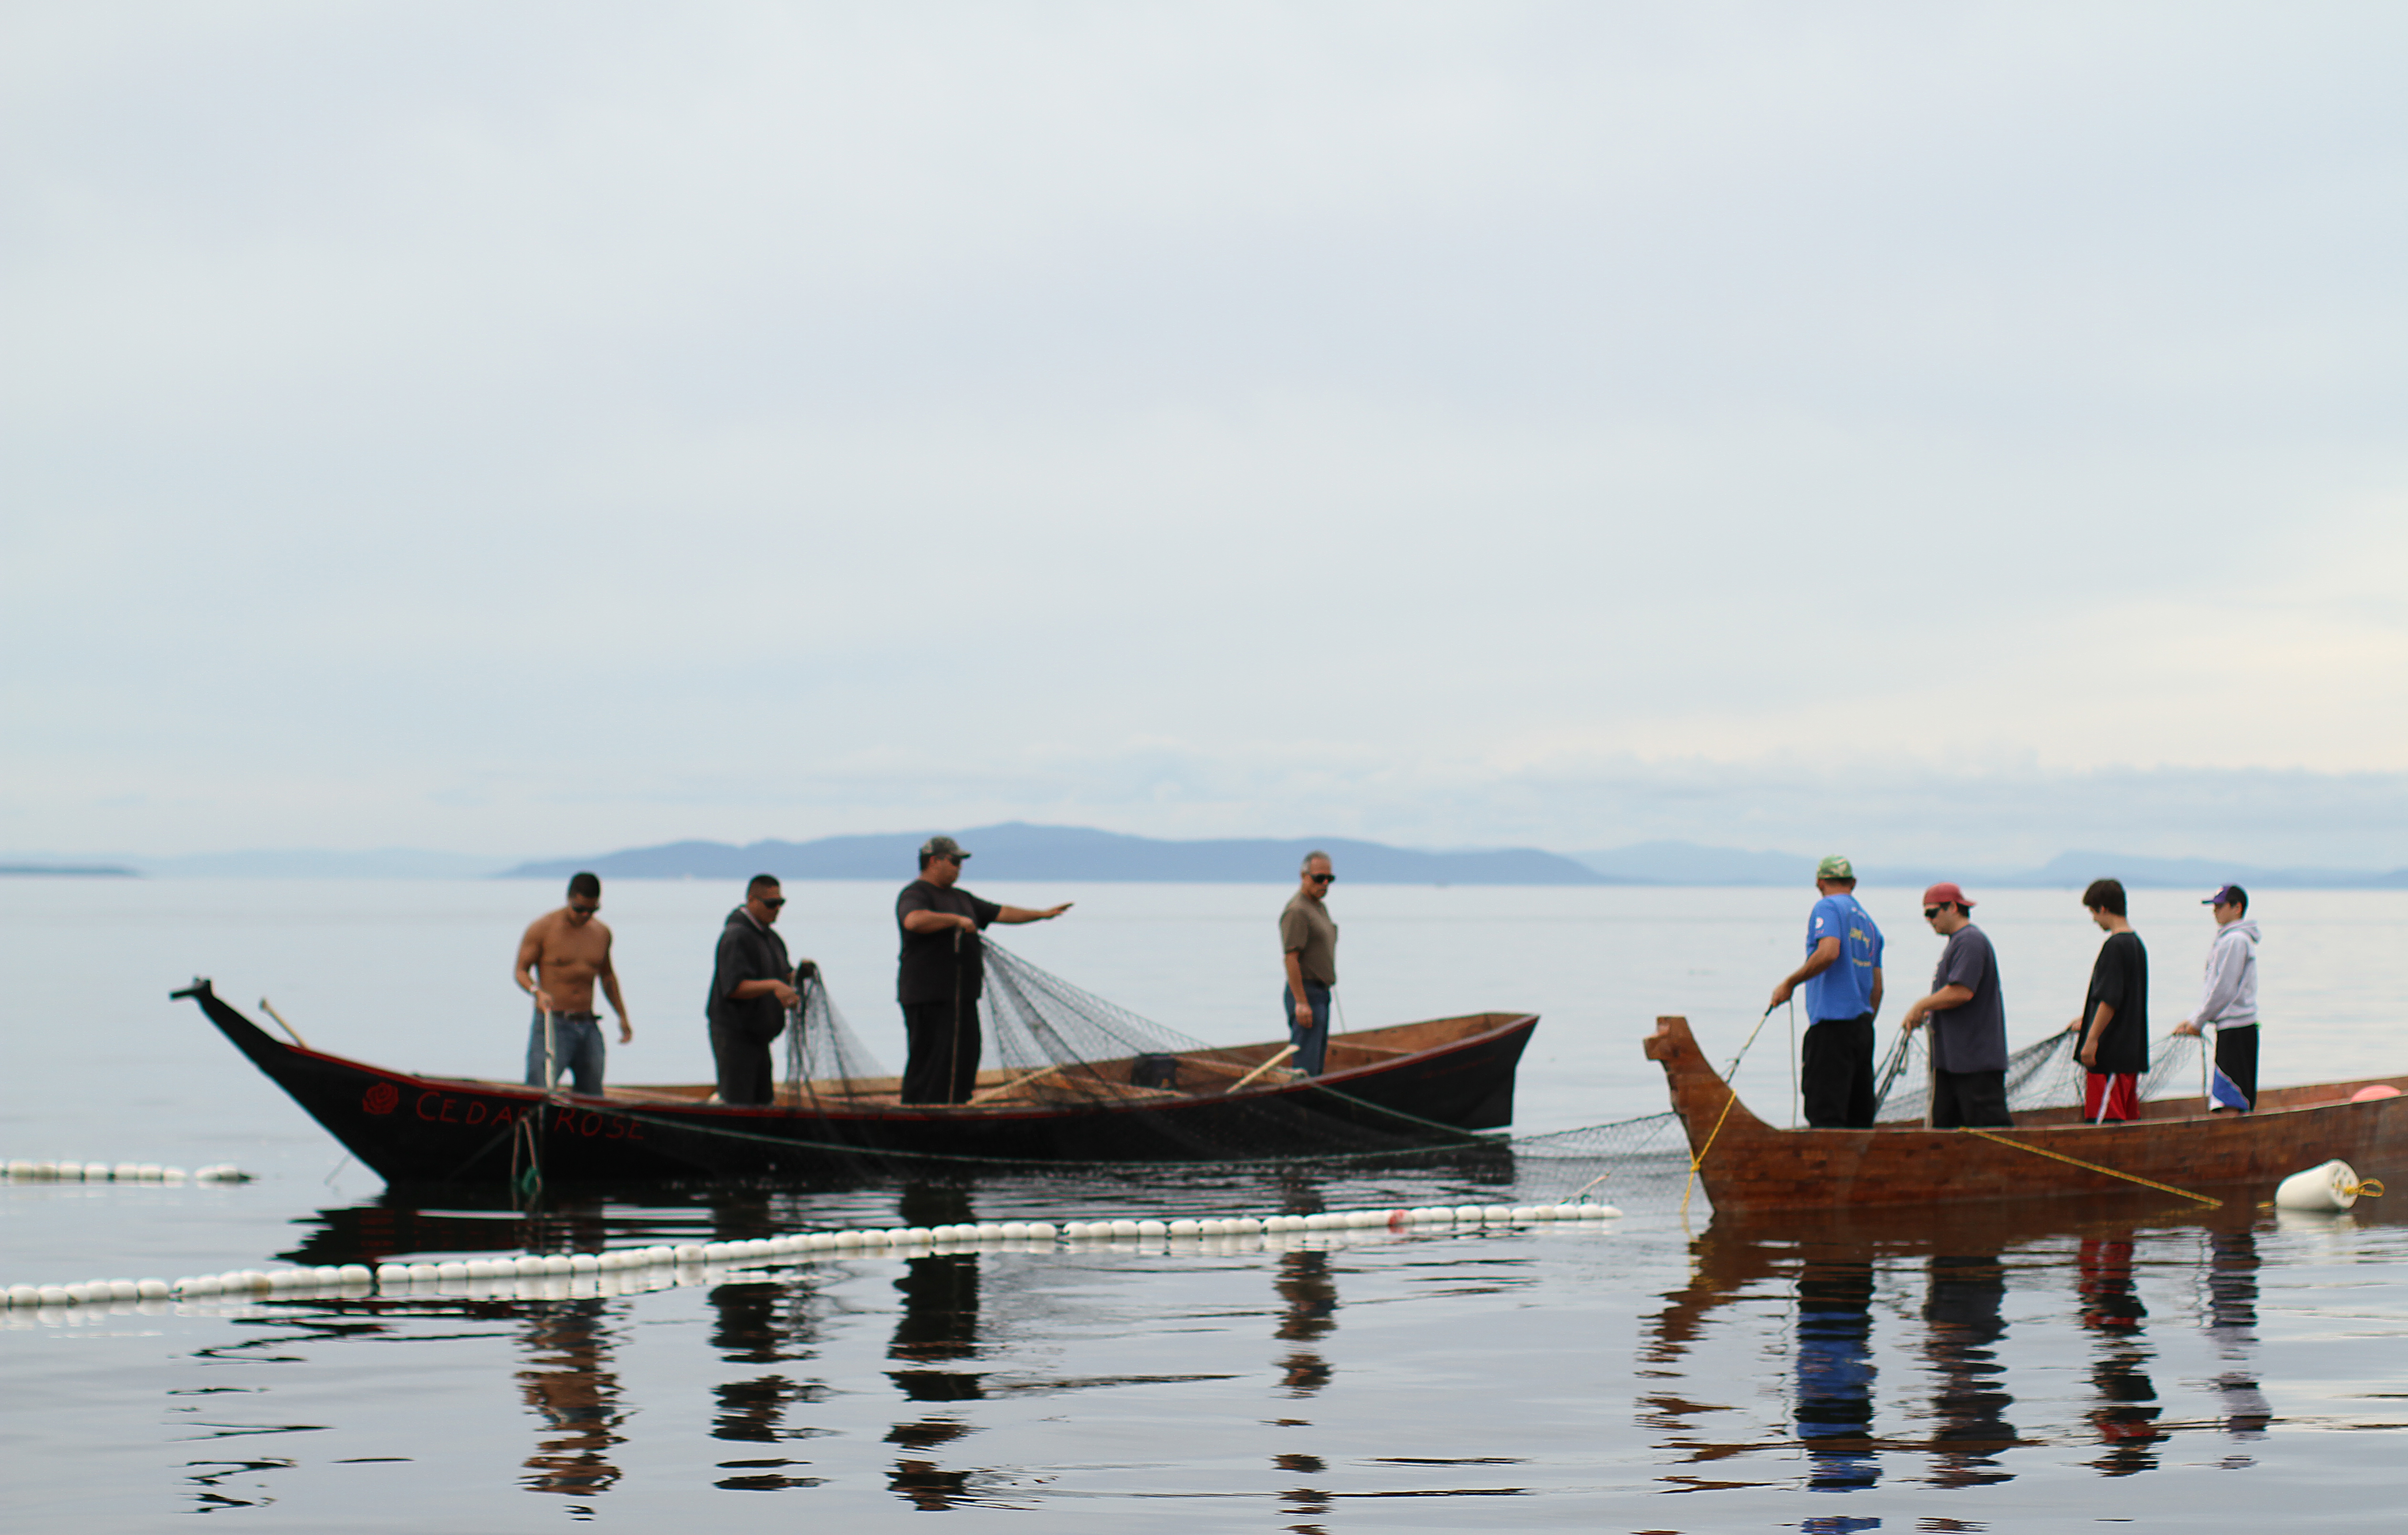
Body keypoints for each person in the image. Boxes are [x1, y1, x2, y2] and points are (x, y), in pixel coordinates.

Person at [895, 836, 1072, 1104]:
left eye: (961, 863)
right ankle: (920, 1110)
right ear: (934, 862)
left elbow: (1002, 913)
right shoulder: (916, 894)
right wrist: (956, 920)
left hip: (963, 996)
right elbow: (913, 920)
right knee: (931, 1059)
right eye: (955, 861)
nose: (959, 868)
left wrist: (1042, 914)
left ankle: (958, 1105)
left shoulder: (961, 897)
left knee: (966, 1053)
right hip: (928, 995)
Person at [1768, 855, 1885, 1128]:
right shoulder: (1870, 925)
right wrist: (1865, 1024)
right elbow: (1878, 987)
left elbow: (1829, 952)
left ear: (1820, 883)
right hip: (1862, 1029)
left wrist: (1790, 983)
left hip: (1832, 1029)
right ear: (1853, 883)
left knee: (1826, 1115)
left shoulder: (1828, 907)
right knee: (1858, 1118)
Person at [1899, 883, 2013, 1128]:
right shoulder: (1957, 942)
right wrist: (1930, 1010)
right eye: (1925, 915)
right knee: (1946, 1133)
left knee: (1990, 1132)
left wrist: (1921, 1005)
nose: (1929, 920)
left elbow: (1962, 991)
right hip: (1952, 1063)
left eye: (1932, 913)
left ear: (1952, 907)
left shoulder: (1970, 941)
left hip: (1975, 1064)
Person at [514, 871, 630, 1095]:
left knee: (593, 1093)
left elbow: (607, 977)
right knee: (540, 1090)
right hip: (553, 1023)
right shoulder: (543, 928)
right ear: (569, 899)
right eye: (579, 909)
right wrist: (537, 991)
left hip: (588, 1023)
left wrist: (623, 1017)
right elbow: (521, 971)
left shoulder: (601, 933)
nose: (585, 916)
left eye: (592, 910)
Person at [706, 874, 815, 1106]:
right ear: (751, 901)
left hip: (760, 1037)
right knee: (738, 1102)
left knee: (763, 1100)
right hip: (735, 1035)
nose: (777, 909)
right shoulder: (736, 937)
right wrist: (775, 986)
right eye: (771, 904)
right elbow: (734, 987)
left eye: (780, 903)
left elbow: (783, 975)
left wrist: (797, 976)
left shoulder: (772, 939)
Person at [2173, 884, 2261, 1110]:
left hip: (2237, 1029)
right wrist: (2194, 1019)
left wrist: (2198, 1022)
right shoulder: (2228, 939)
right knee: (2229, 1097)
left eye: (2220, 906)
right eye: (2214, 907)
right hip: (2231, 1028)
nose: (2215, 911)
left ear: (2237, 908)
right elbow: (2217, 989)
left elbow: (2224, 989)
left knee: (2230, 1101)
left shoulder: (2236, 941)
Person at [2067, 878, 2148, 1123]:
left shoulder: (2114, 946)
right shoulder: (2136, 944)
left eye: (2094, 913)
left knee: (2107, 1124)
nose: (2094, 920)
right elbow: (2125, 998)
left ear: (2103, 909)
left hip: (2110, 1058)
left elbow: (2110, 1000)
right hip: (2130, 1056)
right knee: (2127, 1122)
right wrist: (2087, 1019)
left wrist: (2091, 1040)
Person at [1279, 850, 1340, 1075]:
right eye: (1319, 878)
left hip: (1322, 993)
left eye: (1329, 879)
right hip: (1307, 993)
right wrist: (1301, 1002)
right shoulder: (1297, 911)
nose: (1325, 884)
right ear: (1304, 876)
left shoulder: (1319, 907)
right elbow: (1291, 958)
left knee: (1317, 1062)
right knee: (1306, 1065)